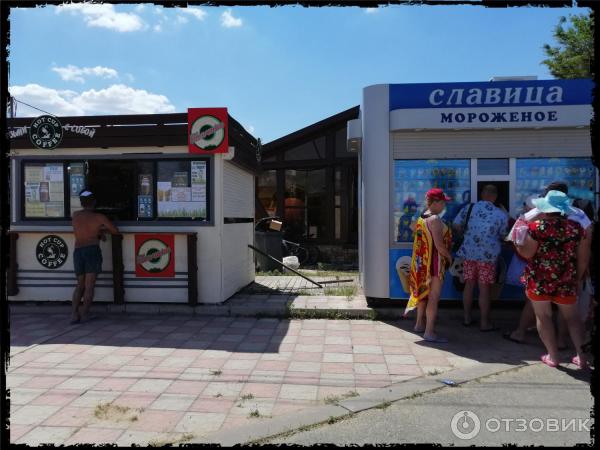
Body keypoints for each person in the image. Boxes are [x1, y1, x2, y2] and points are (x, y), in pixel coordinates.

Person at [503, 181, 593, 346]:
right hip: (568, 272)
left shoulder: (534, 215)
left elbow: (516, 238)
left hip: (541, 273)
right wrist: (579, 277)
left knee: (539, 310)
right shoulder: (581, 218)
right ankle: (561, 341)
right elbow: (584, 253)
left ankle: (521, 333)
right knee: (566, 311)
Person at [515, 190, 587, 369]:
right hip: (566, 279)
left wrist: (518, 245)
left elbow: (528, 253)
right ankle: (583, 358)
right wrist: (577, 277)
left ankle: (553, 357)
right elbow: (582, 256)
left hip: (539, 280)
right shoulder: (576, 228)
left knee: (543, 316)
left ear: (545, 209)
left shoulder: (536, 227)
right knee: (573, 318)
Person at [453, 184, 508, 331]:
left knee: (469, 285)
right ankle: (484, 323)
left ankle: (466, 318)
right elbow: (504, 235)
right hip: (488, 257)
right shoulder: (501, 214)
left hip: (469, 254)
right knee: (484, 289)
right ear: (495, 196)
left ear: (482, 194)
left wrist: (468, 233)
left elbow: (456, 225)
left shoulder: (469, 208)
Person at [405, 188, 453, 343]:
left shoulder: (421, 217)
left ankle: (419, 324)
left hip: (421, 264)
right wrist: (449, 256)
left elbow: (413, 229)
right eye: (443, 202)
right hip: (434, 264)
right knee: (433, 297)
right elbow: (439, 246)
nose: (444, 205)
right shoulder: (435, 220)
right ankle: (430, 332)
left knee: (423, 295)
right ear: (436, 202)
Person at [71, 190, 119, 324]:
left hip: (78, 251)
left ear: (81, 203)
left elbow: (82, 230)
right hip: (92, 251)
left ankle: (74, 314)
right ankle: (85, 314)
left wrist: (97, 233)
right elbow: (115, 231)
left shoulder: (75, 215)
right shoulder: (99, 217)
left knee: (80, 285)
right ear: (94, 202)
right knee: (89, 285)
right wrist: (100, 231)